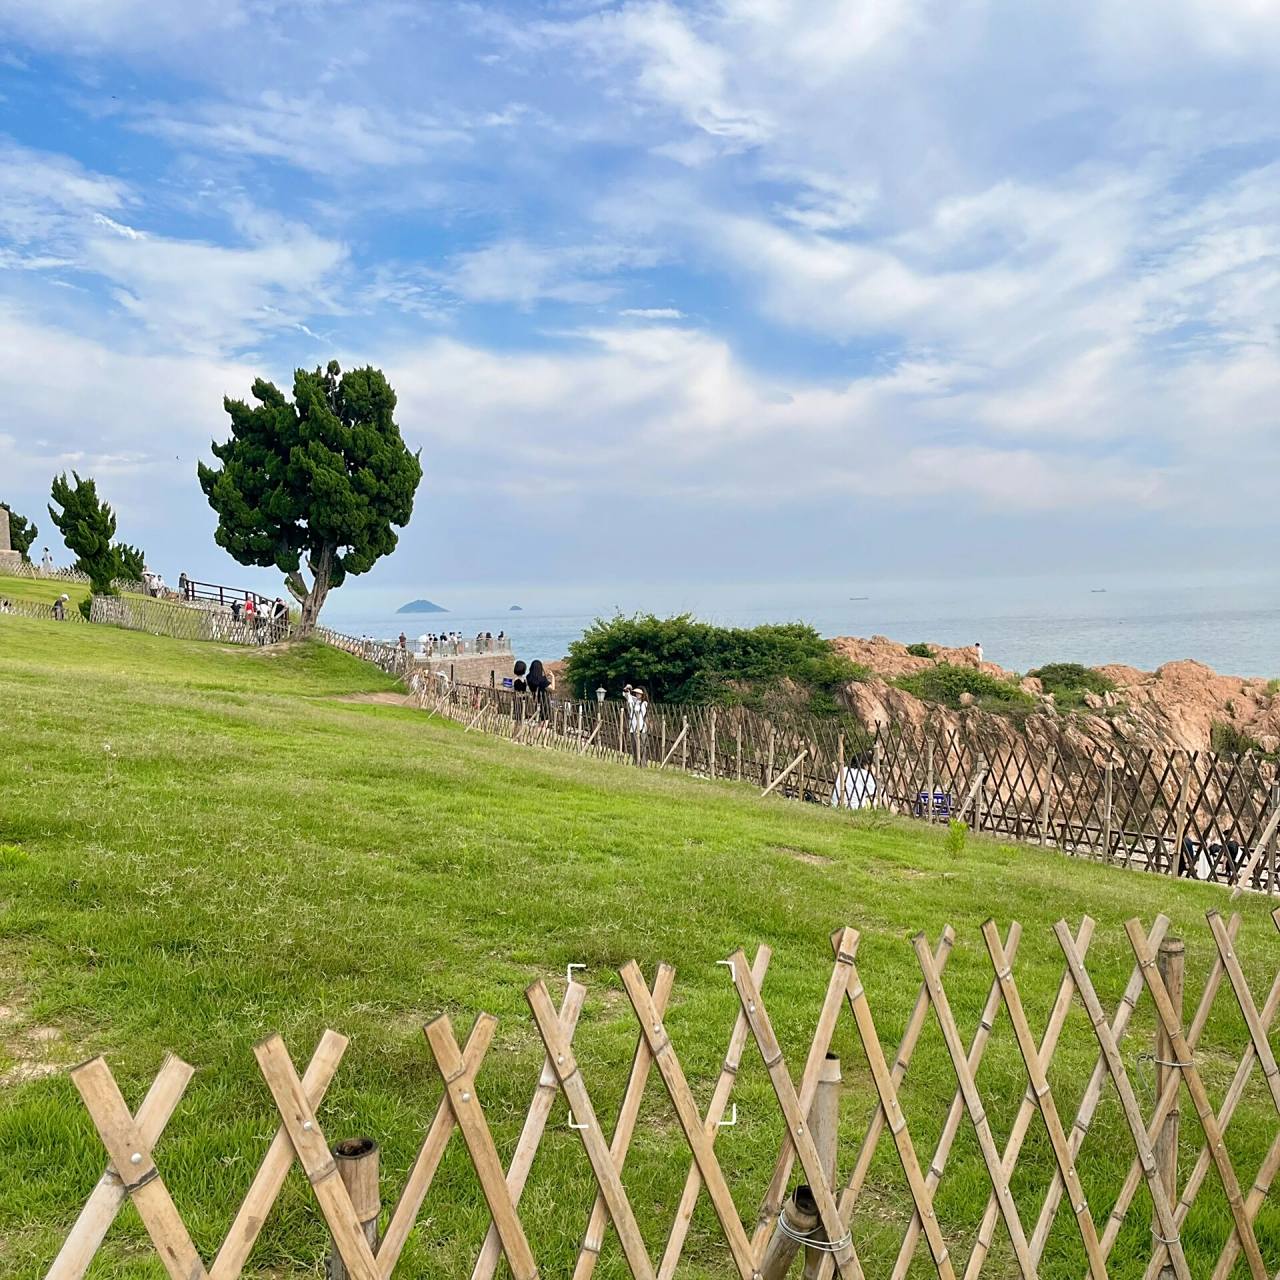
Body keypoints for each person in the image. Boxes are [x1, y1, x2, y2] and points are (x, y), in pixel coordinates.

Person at [623, 684, 649, 763]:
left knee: (641, 746)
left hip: (640, 727)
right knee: (634, 746)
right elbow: (625, 694)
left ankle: (643, 763)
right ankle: (635, 761)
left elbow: (639, 712)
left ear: (642, 694)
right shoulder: (634, 700)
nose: (637, 694)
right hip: (632, 726)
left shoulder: (644, 703)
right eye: (636, 693)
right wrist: (627, 688)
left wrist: (631, 701)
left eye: (639, 693)